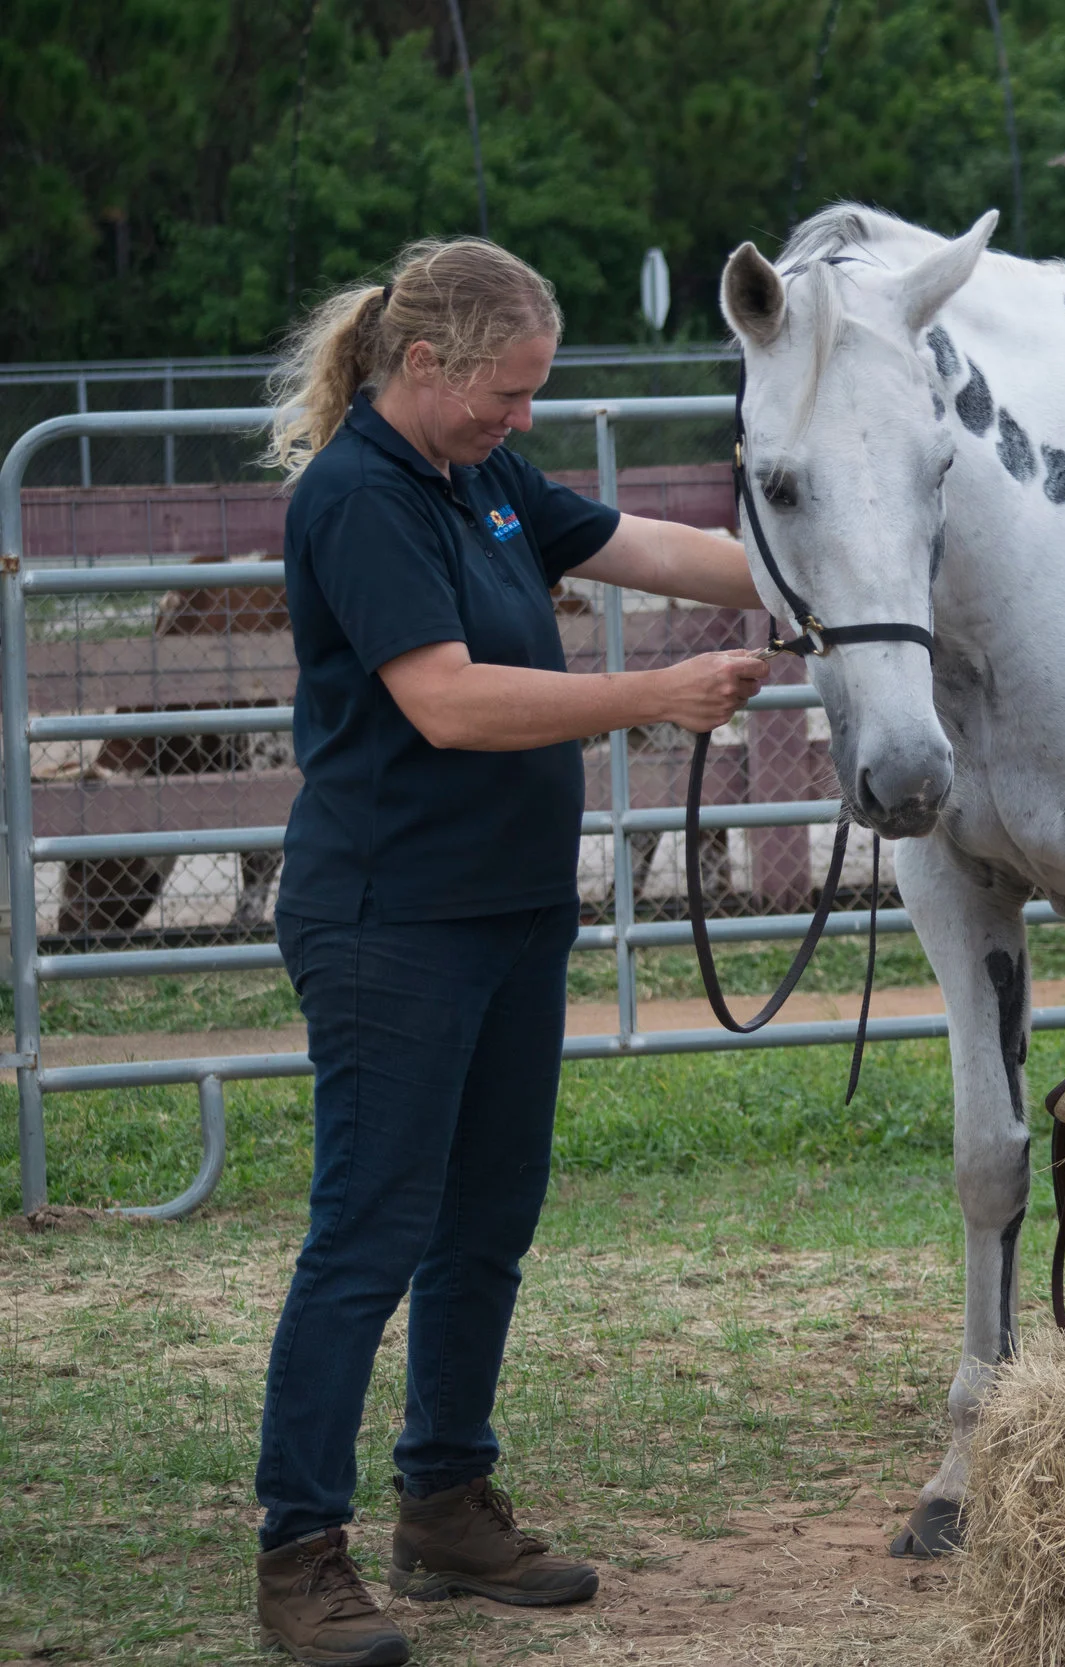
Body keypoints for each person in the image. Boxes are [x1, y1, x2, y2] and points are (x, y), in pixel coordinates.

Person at [251, 238, 774, 1667]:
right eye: (510, 388)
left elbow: (662, 550)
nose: (524, 415)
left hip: (504, 910)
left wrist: (828, 560)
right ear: (426, 365)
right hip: (390, 920)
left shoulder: (480, 478)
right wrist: (657, 691)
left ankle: (445, 1498)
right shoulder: (359, 496)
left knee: (486, 1221)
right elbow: (451, 704)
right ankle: (299, 1546)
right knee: (370, 1231)